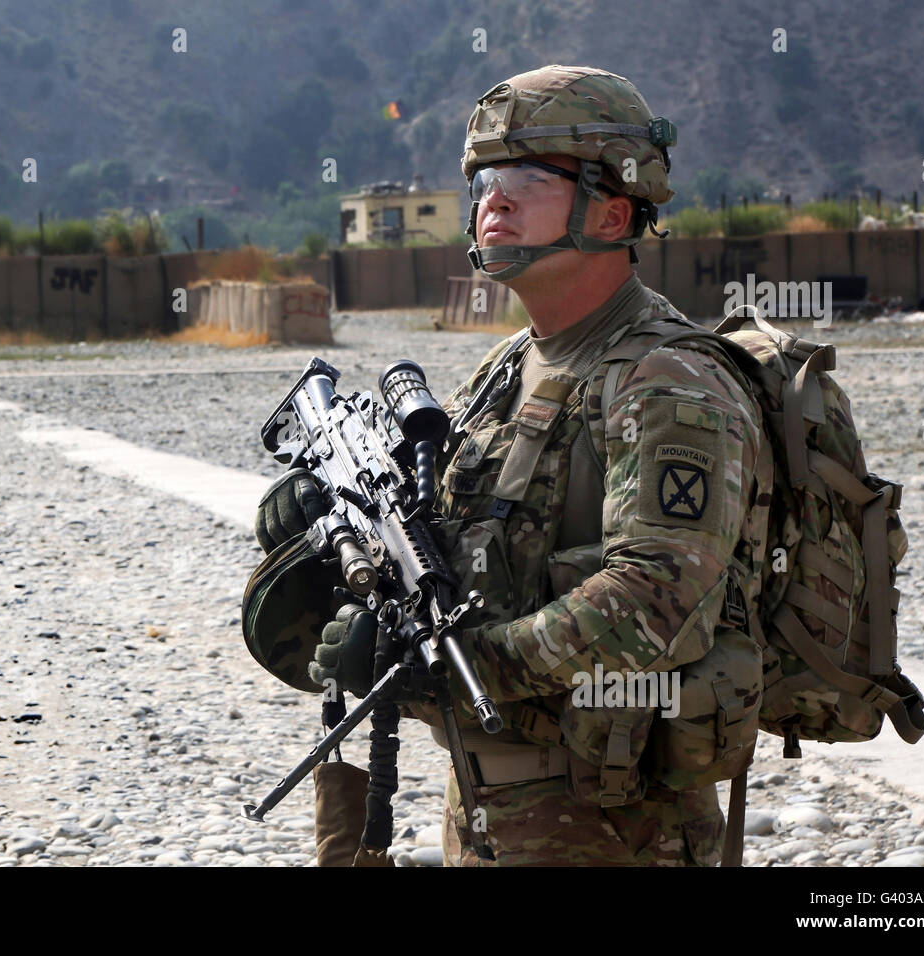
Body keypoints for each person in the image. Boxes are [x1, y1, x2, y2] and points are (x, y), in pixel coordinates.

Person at [253, 65, 775, 867]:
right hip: (488, 813)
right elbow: (442, 543)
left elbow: (657, 604)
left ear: (612, 207)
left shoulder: (667, 381)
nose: (492, 200)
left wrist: (455, 671)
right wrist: (325, 528)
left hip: (618, 833)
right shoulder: (508, 366)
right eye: (487, 179)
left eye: (528, 178)